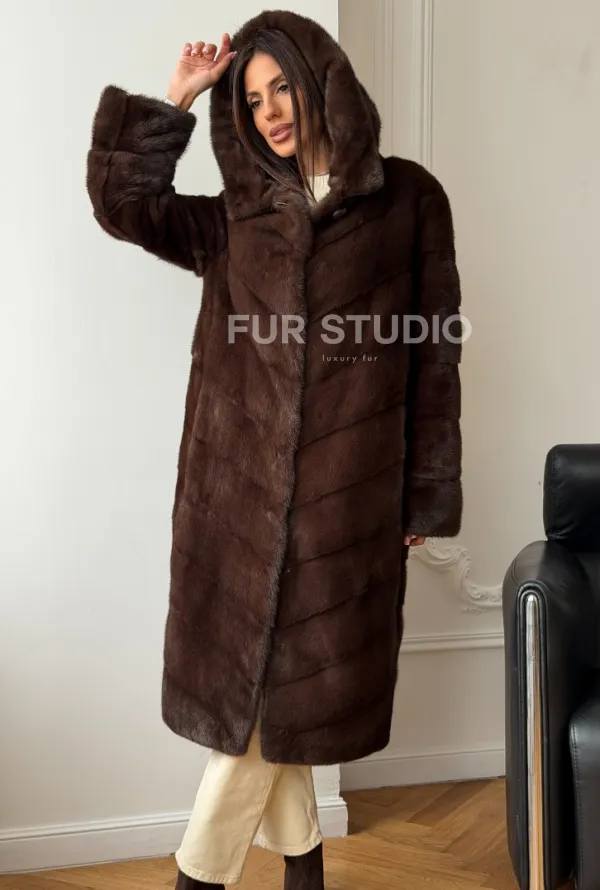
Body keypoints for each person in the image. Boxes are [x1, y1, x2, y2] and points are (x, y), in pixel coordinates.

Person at [86, 9, 463, 890]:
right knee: (263, 699)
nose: (270, 112)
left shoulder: (411, 201)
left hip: (345, 503)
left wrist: (424, 494)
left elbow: (436, 358)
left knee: (270, 701)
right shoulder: (235, 218)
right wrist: (177, 99)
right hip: (236, 500)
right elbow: (124, 208)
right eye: (252, 100)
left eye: (282, 87)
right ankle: (304, 870)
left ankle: (198, 877)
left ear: (322, 79)